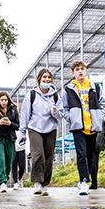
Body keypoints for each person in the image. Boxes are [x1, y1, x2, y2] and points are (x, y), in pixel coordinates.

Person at [61, 61, 105, 196]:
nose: (80, 71)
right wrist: (70, 118)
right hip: (78, 127)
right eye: (77, 69)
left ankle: (87, 178)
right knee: (81, 154)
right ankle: (83, 182)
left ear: (86, 71)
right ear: (73, 72)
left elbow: (104, 105)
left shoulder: (95, 87)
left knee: (91, 155)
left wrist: (100, 117)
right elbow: (63, 108)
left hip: (92, 127)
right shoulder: (69, 89)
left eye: (82, 69)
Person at [18, 68, 60, 196]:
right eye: (44, 77)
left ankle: (44, 183)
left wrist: (56, 112)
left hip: (51, 129)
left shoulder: (55, 95)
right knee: (38, 155)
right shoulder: (31, 95)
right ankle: (37, 182)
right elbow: (25, 114)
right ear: (39, 79)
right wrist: (22, 132)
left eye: (49, 78)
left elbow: (61, 113)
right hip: (35, 128)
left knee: (49, 157)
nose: (47, 80)